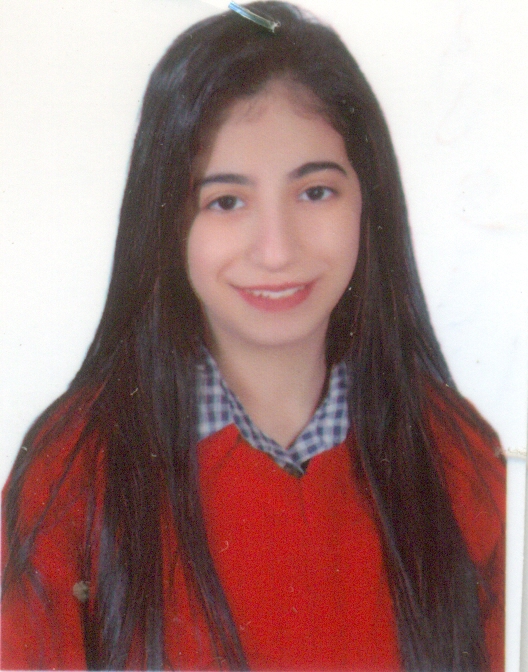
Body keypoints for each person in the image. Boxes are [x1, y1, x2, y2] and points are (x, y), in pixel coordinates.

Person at [1, 2, 505, 670]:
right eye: (226, 201)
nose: (276, 250)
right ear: (165, 222)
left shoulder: (460, 457)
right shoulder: (70, 471)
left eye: (316, 192)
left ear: (370, 200)